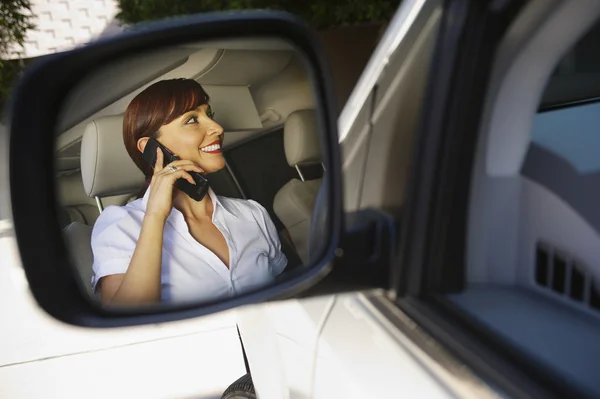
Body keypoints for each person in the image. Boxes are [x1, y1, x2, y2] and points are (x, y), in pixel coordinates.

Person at [90, 78, 287, 305]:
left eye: (209, 115)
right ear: (151, 148)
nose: (218, 128)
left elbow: (284, 298)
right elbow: (126, 323)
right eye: (192, 119)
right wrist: (155, 216)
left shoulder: (253, 214)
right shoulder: (121, 225)